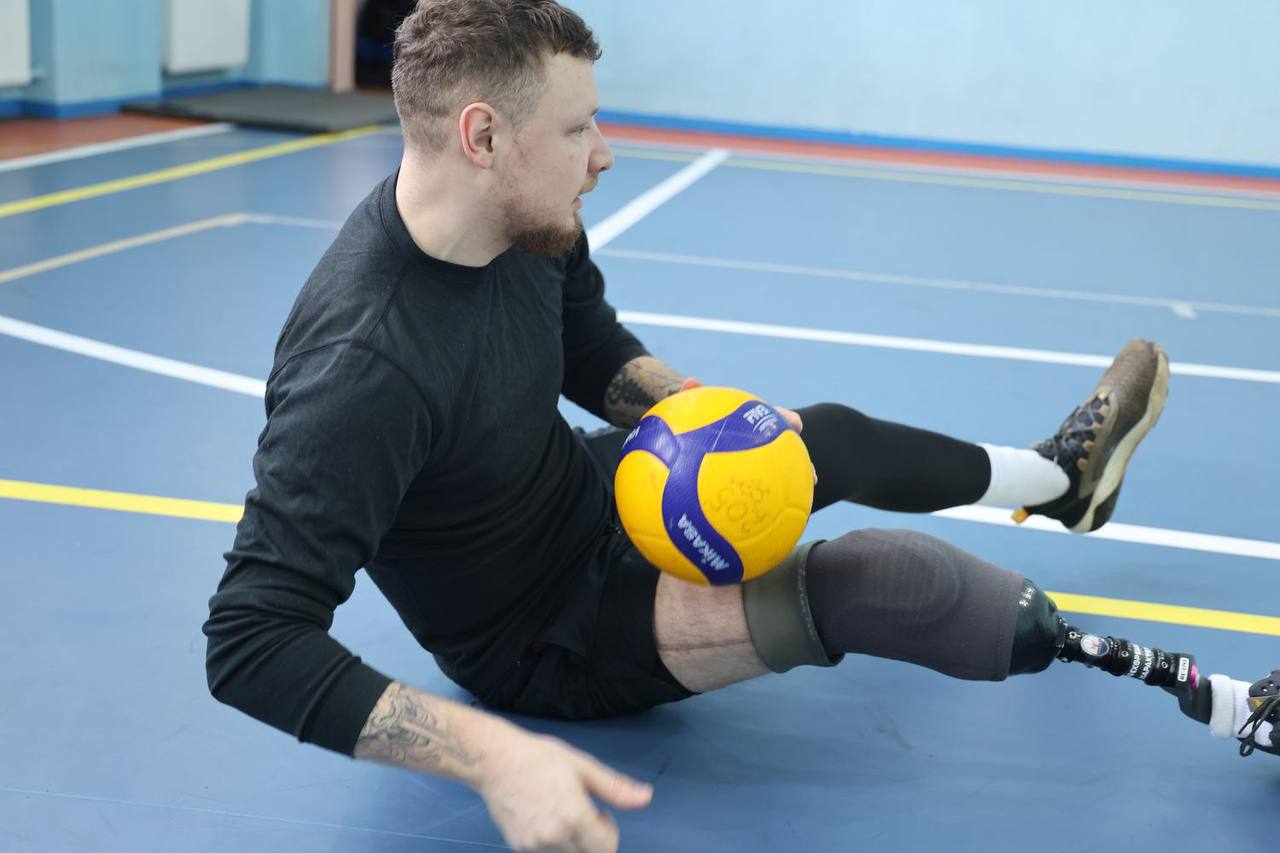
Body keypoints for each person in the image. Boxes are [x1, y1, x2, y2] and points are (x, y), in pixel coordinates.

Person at [202, 2, 1277, 850]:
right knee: (866, 580)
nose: (602, 153)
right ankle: (1230, 701)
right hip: (547, 637)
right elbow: (251, 638)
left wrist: (712, 424)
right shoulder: (364, 367)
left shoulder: (525, 223)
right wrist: (491, 754)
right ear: (483, 136)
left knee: (822, 438)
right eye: (576, 130)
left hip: (599, 497)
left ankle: (1058, 481)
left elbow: (588, 345)